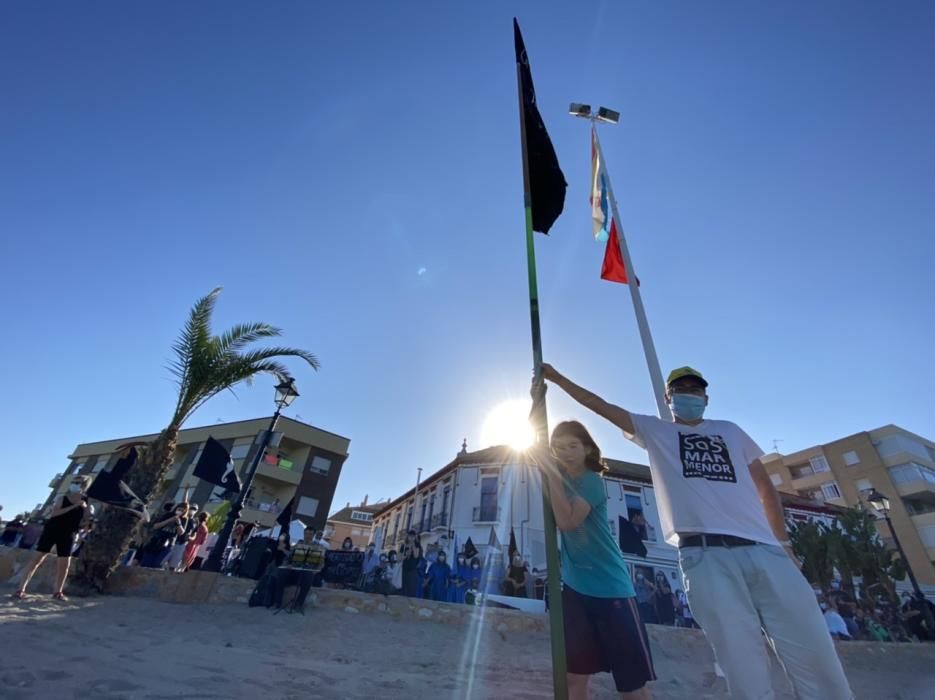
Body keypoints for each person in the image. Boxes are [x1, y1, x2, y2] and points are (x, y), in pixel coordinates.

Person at [540, 363, 853, 699]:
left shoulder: (731, 431)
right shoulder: (657, 431)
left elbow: (764, 485)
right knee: (743, 667)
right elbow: (600, 405)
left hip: (766, 550)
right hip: (706, 556)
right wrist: (557, 379)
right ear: (668, 397)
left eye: (694, 390)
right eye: (679, 390)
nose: (687, 395)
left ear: (705, 396)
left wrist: (783, 542)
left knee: (817, 658)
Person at [529, 420, 656, 700]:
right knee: (573, 676)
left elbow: (568, 521)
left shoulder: (591, 481)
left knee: (630, 683)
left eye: (572, 446)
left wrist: (549, 472)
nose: (565, 452)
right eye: (558, 448)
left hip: (612, 589)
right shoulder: (560, 480)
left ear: (587, 448)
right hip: (575, 588)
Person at [14, 476, 92, 600]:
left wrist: (86, 514)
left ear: (84, 485)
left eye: (77, 483)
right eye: (73, 482)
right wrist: (73, 506)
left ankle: (58, 592)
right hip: (52, 530)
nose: (74, 484)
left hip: (69, 533)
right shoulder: (63, 498)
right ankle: (20, 589)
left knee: (64, 564)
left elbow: (86, 520)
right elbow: (55, 513)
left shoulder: (86, 501)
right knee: (37, 559)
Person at [140, 503, 185, 568]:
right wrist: (170, 520)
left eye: (182, 510)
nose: (180, 511)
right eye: (179, 509)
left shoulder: (183, 519)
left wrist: (179, 524)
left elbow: (181, 533)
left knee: (157, 564)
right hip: (157, 541)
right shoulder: (168, 515)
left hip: (168, 544)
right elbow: (155, 526)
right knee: (147, 562)